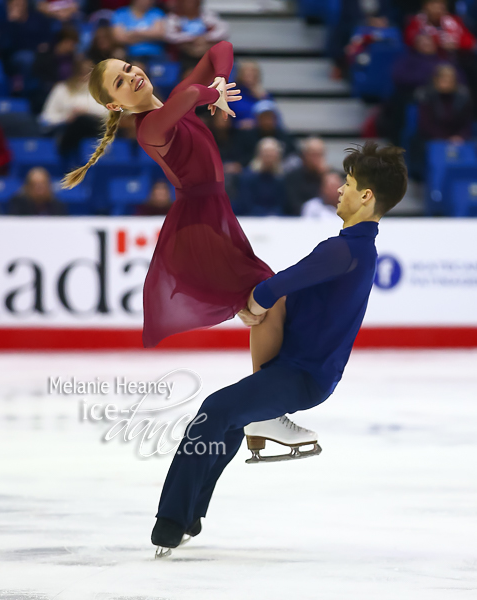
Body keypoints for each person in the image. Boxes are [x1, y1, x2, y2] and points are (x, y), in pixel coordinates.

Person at [150, 142, 409, 556]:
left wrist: (251, 303)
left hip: (302, 375)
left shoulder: (344, 249)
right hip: (295, 368)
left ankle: (170, 520)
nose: (339, 190)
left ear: (366, 197)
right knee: (229, 419)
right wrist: (258, 300)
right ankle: (190, 516)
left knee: (215, 411)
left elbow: (274, 288)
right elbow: (279, 293)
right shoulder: (360, 249)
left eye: (348, 183)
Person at [61, 41, 314, 452]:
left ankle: (264, 411)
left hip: (213, 215)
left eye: (127, 68)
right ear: (114, 106)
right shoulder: (150, 128)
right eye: (120, 83)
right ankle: (264, 412)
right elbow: (194, 96)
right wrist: (215, 91)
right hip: (197, 226)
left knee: (266, 303)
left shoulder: (170, 102)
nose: (132, 76)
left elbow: (221, 46)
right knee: (267, 298)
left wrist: (221, 77)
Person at [39, 57, 108, 157]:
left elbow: (108, 114)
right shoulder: (61, 89)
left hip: (95, 130)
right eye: (81, 72)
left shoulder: (100, 92)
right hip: (66, 130)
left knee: (84, 120)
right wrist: (66, 118)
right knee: (78, 122)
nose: (84, 77)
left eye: (89, 73)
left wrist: (85, 111)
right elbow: (45, 118)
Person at [165, 0, 229, 71]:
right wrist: (192, 38)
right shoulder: (174, 18)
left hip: (206, 47)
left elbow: (223, 31)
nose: (190, 5)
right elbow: (170, 36)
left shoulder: (208, 15)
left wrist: (205, 38)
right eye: (187, 2)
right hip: (184, 53)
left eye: (193, 2)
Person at [234, 100, 295, 168]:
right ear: (257, 119)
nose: (267, 121)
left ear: (275, 119)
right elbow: (241, 158)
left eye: (269, 117)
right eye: (263, 117)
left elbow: (292, 157)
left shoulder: (285, 137)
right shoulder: (247, 137)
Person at [235, 137, 287, 217]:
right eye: (266, 154)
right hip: (252, 218)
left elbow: (283, 204)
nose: (269, 157)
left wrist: (274, 215)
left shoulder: (281, 178)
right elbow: (246, 204)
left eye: (272, 154)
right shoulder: (248, 177)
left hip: (276, 219)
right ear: (259, 155)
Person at [284, 137, 329, 216]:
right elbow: (293, 206)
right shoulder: (292, 177)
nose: (316, 159)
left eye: (320, 154)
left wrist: (324, 178)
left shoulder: (329, 176)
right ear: (304, 155)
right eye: (313, 154)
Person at [234, 60, 273, 128]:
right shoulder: (232, 93)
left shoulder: (264, 95)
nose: (250, 75)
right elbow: (222, 121)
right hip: (236, 132)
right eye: (247, 71)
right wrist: (237, 124)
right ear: (240, 74)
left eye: (253, 71)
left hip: (259, 132)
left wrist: (262, 98)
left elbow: (272, 118)